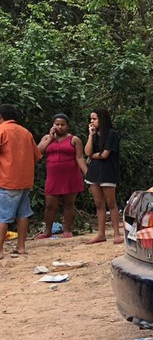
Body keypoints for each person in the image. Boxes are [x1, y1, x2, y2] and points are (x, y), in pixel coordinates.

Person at [35, 113, 87, 239]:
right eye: (57, 124)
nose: (59, 127)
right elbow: (38, 151)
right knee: (50, 205)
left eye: (62, 125)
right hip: (53, 176)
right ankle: (47, 231)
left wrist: (87, 173)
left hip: (71, 175)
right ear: (53, 125)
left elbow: (79, 157)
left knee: (69, 203)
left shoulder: (74, 140)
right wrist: (50, 138)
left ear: (67, 126)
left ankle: (67, 229)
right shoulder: (47, 138)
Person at [0, 104, 42, 258]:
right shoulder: (26, 132)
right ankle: (21, 247)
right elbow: (36, 156)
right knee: (22, 214)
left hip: (7, 180)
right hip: (24, 180)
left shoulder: (2, 130)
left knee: (3, 216)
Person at [83, 107, 123, 244]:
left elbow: (105, 154)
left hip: (107, 172)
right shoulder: (94, 135)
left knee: (111, 203)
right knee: (99, 204)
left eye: (94, 119)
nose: (91, 121)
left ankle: (117, 234)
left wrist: (93, 156)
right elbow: (87, 152)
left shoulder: (112, 134)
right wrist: (90, 135)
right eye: (91, 119)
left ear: (102, 119)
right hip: (94, 172)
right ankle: (101, 234)